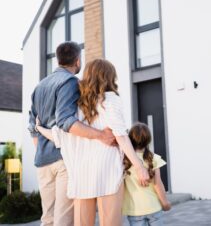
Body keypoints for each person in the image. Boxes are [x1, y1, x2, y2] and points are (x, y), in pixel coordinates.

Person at [36, 59, 150, 226]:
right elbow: (121, 136)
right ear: (109, 77)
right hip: (108, 172)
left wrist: (39, 128)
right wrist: (139, 166)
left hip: (82, 175)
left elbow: (60, 134)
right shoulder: (110, 99)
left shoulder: (75, 106)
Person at [28, 42, 116, 226]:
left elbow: (32, 127)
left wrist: (44, 152)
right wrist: (101, 135)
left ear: (58, 60)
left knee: (48, 219)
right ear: (77, 61)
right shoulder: (70, 82)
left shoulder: (40, 86)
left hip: (43, 161)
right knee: (64, 220)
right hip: (63, 160)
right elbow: (66, 121)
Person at [123, 122, 171, 226]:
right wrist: (165, 203)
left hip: (135, 211)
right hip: (154, 208)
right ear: (148, 140)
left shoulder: (125, 160)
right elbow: (158, 184)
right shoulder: (154, 158)